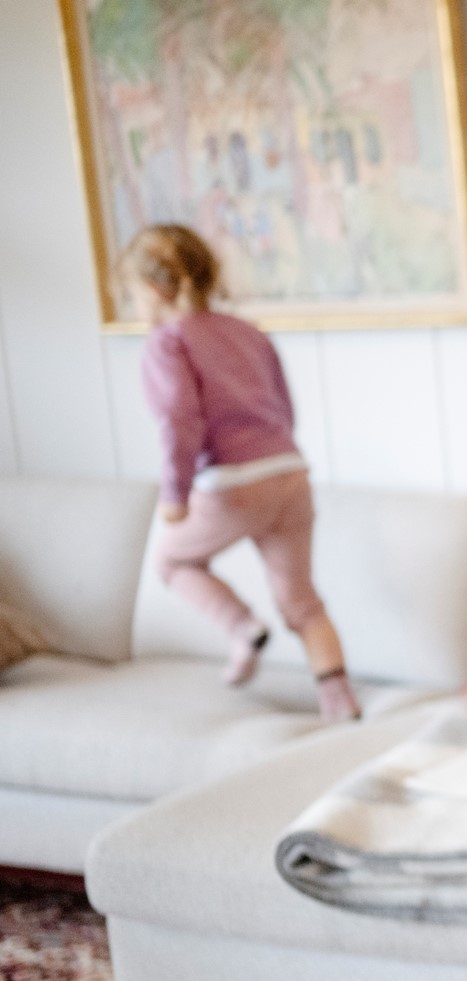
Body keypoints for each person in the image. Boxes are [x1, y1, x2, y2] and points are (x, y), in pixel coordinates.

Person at [123, 224, 360, 723]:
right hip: (290, 470)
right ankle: (340, 701)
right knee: (302, 601)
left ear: (153, 289)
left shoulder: (168, 343)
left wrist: (176, 494)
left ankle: (242, 627)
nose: (133, 305)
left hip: (233, 482)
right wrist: (277, 453)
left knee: (172, 562)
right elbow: (283, 404)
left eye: (130, 293)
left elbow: (178, 420)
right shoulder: (248, 332)